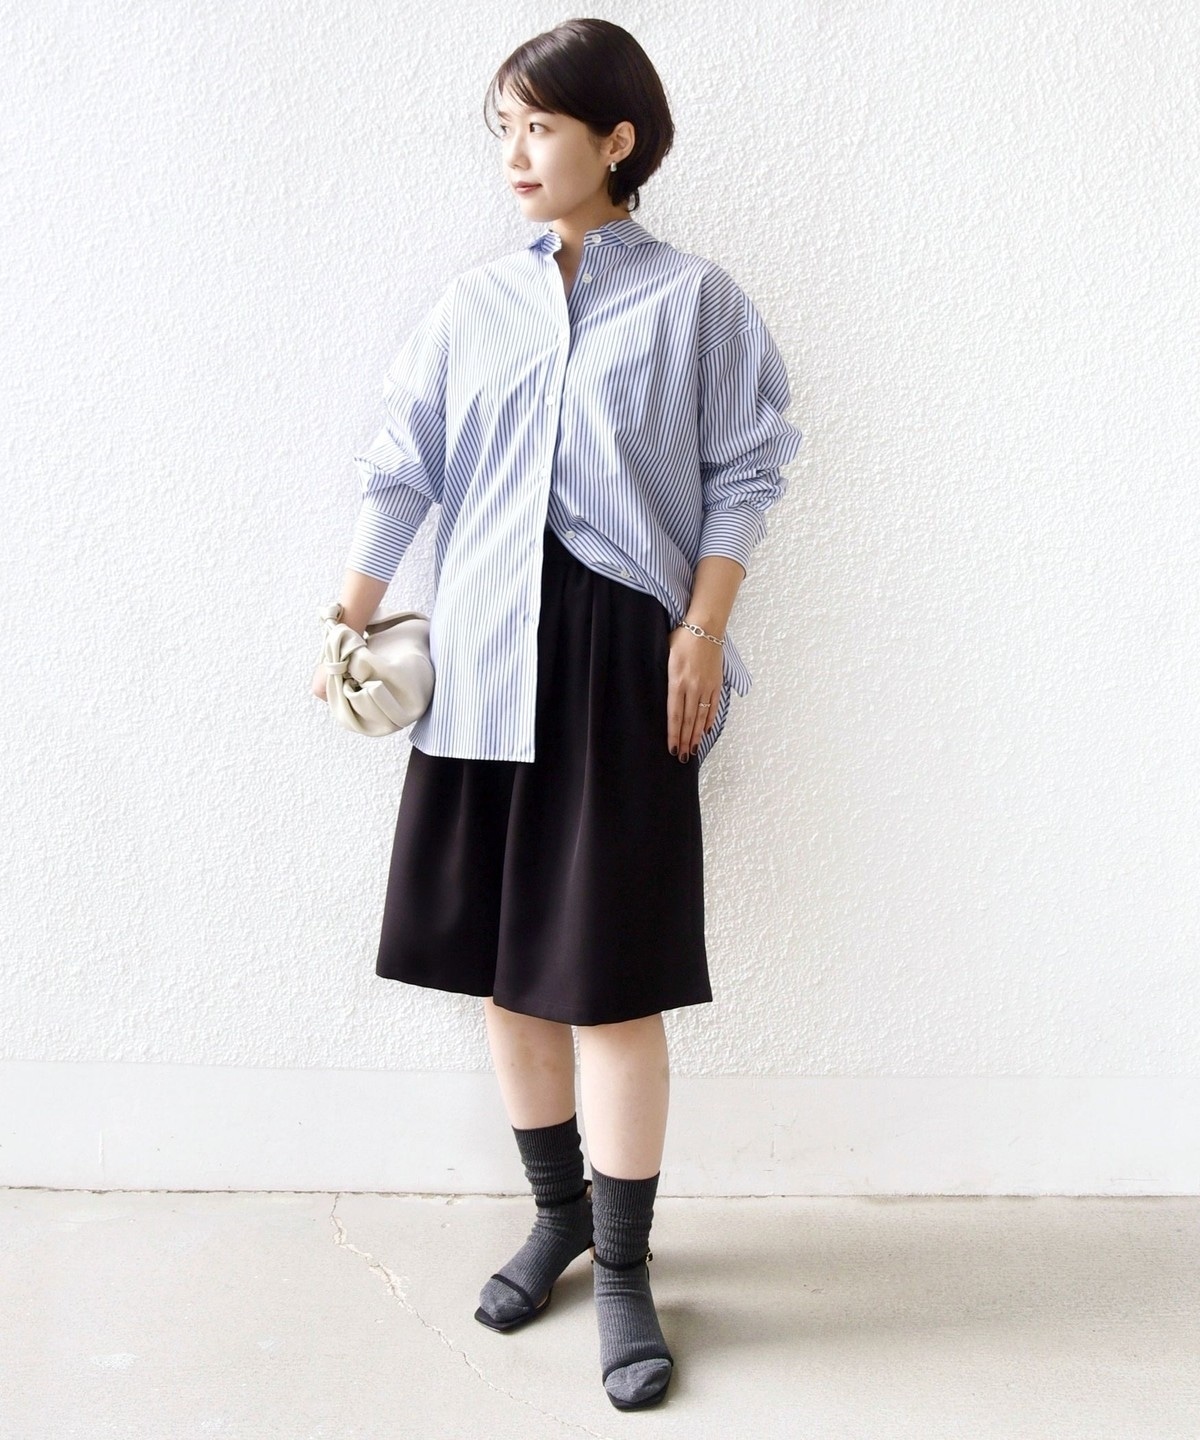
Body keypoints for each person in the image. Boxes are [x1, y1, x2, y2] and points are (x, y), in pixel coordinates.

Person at [312, 18, 804, 1413]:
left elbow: (748, 470)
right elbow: (407, 463)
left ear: (616, 139)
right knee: (506, 968)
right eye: (505, 131)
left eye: (540, 127)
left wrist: (701, 630)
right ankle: (558, 1218)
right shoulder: (475, 303)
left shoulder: (698, 302)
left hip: (619, 653)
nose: (517, 156)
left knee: (610, 972)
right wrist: (348, 616)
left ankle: (629, 1267)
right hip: (479, 646)